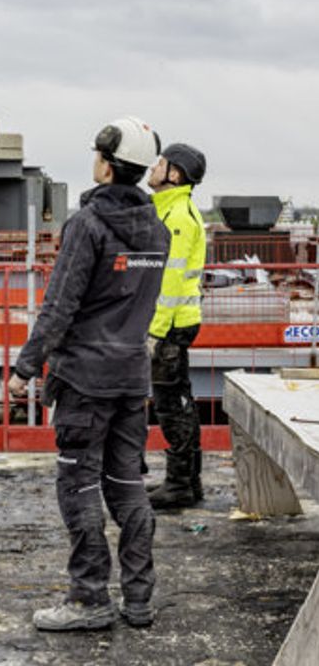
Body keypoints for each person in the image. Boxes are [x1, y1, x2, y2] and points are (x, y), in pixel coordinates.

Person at [8, 117, 169, 632]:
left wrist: (23, 368)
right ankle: (139, 600)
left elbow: (60, 306)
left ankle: (89, 598)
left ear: (105, 163)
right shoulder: (158, 230)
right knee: (127, 484)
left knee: (77, 486)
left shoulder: (88, 224)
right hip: (130, 377)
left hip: (85, 381)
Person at [146, 142, 207, 509]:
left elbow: (170, 282)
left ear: (175, 174)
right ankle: (187, 482)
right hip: (175, 323)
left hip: (171, 326)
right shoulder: (170, 211)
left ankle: (180, 484)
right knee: (179, 401)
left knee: (172, 405)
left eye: (160, 163)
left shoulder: (178, 218)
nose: (153, 168)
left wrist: (154, 332)